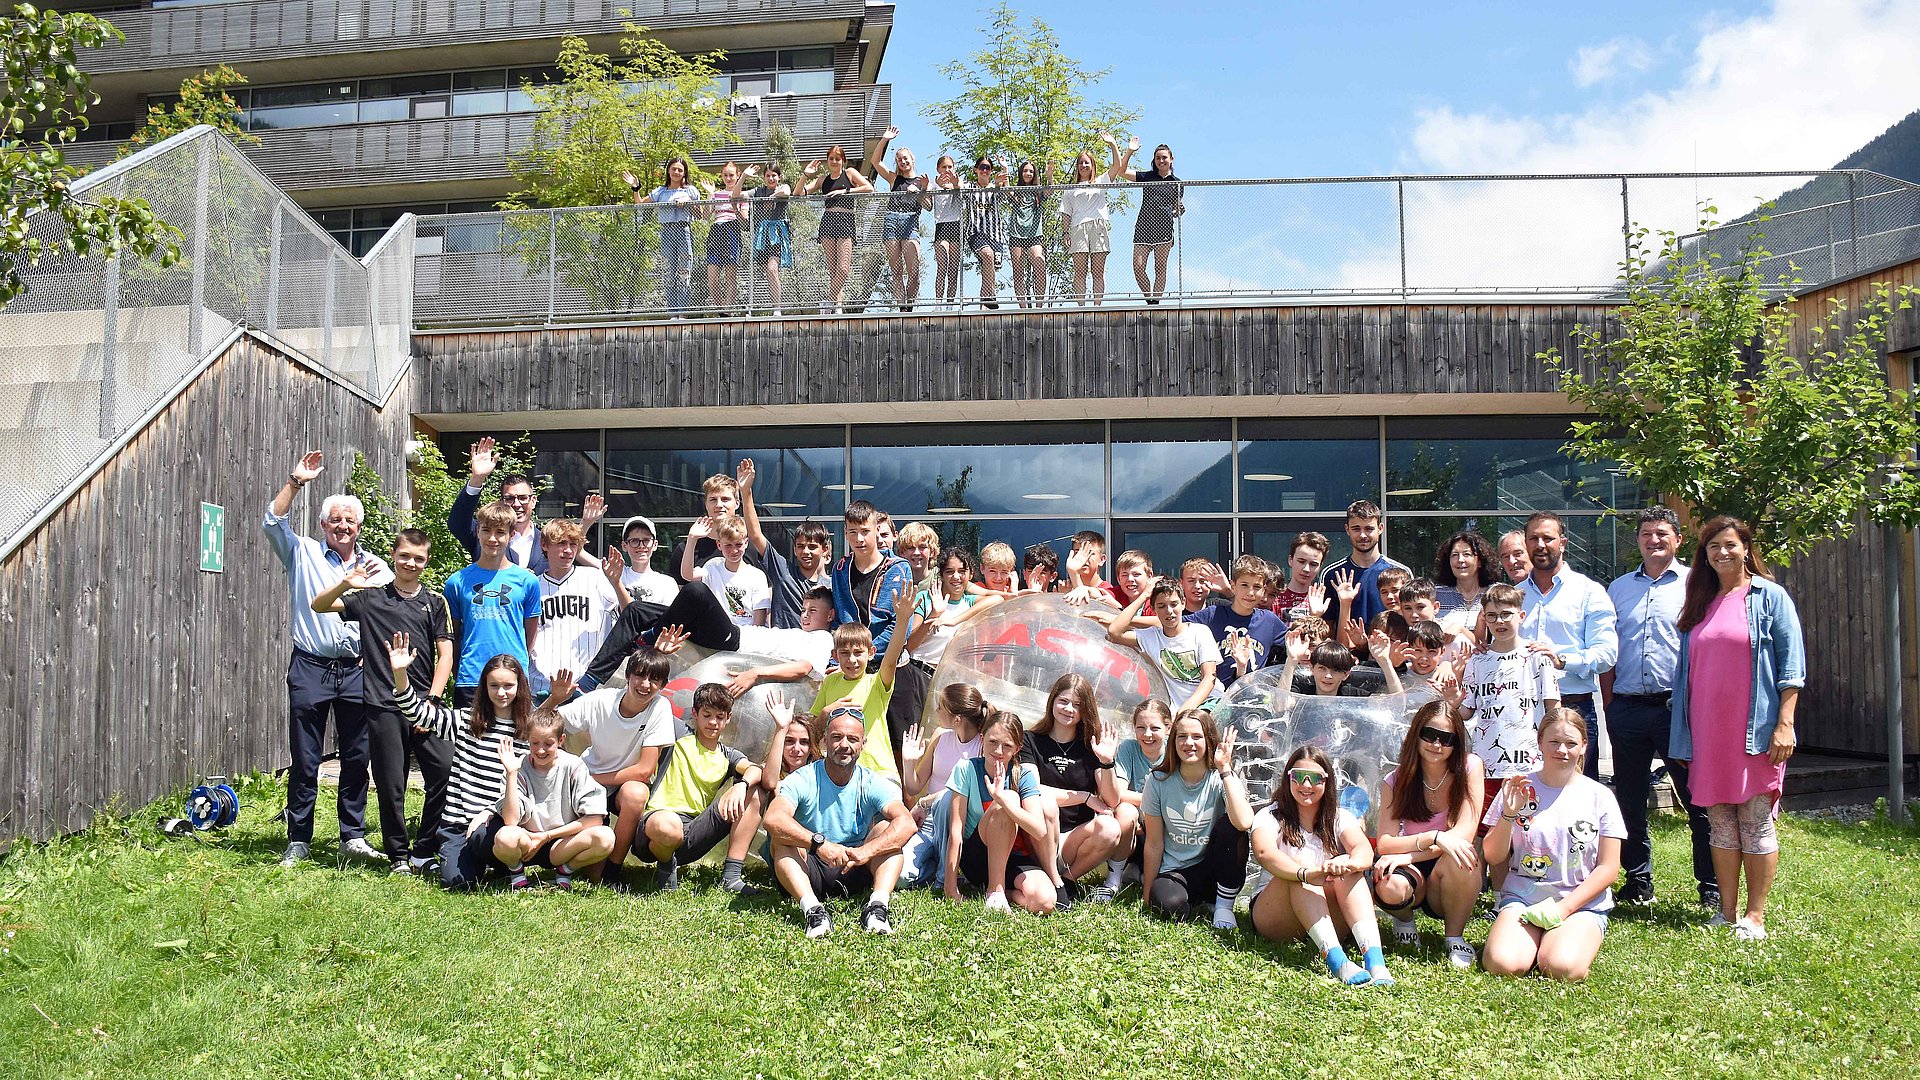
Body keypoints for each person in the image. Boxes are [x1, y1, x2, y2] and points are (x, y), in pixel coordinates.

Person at [1669, 516, 1804, 942]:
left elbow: (1792, 668)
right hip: (1707, 733)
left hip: (1756, 730)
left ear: (1746, 547)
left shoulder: (1770, 597)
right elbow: (1686, 676)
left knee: (1756, 819)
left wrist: (1785, 724)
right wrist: (1683, 737)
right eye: (1713, 547)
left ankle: (1755, 916)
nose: (1722, 553)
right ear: (1704, 556)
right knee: (1720, 821)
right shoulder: (1700, 601)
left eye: (1730, 545)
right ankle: (1727, 912)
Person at [265, 450, 394, 868]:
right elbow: (273, 522)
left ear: (359, 526)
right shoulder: (301, 552)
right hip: (310, 667)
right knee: (305, 757)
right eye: (335, 519)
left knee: (357, 756)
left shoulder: (377, 567)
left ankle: (352, 837)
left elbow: (394, 611)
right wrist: (296, 482)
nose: (342, 526)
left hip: (357, 670)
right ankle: (298, 838)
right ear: (323, 525)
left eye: (349, 520)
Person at [309, 528, 452, 874]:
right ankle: (399, 856)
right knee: (392, 785)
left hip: (423, 705)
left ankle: (424, 849)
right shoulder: (371, 599)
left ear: (427, 560)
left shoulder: (434, 603)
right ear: (393, 555)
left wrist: (432, 700)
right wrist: (347, 582)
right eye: (405, 556)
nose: (411, 563)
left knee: (446, 772)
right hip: (382, 705)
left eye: (419, 558)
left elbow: (445, 655)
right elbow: (319, 604)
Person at [1604, 506, 1717, 910]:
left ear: (1678, 540)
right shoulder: (1617, 589)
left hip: (1678, 711)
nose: (1654, 540)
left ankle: (1711, 887)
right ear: (1637, 540)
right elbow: (1609, 652)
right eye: (1647, 533)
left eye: (1663, 533)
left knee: (1697, 801)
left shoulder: (1698, 585)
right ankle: (1638, 884)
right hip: (1628, 709)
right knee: (1629, 802)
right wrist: (1610, 702)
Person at [1482, 708, 1625, 981]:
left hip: (1579, 905)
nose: (1562, 749)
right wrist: (1508, 816)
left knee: (1562, 968)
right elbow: (1492, 855)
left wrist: (1564, 909)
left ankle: (1559, 941)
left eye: (1571, 743)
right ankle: (1530, 941)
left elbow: (1608, 868)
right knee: (1502, 964)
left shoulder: (1601, 797)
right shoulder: (1517, 788)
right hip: (1523, 900)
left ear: (1584, 746)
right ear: (1540, 743)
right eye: (1554, 742)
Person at [387, 634, 530, 890]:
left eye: (508, 685)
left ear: (519, 687)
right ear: (484, 687)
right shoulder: (465, 721)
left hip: (496, 823)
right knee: (457, 884)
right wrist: (400, 674)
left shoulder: (527, 732)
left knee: (496, 839)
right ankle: (478, 863)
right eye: (494, 685)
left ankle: (502, 863)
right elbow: (417, 713)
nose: (501, 692)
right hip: (457, 824)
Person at [762, 710, 917, 937]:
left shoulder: (871, 781)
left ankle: (877, 908)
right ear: (825, 740)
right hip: (811, 866)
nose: (844, 744)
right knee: (781, 841)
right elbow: (773, 819)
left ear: (863, 744)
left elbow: (907, 823)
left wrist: (867, 851)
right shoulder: (803, 778)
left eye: (852, 739)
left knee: (888, 831)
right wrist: (819, 844)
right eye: (837, 737)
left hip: (855, 864)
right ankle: (813, 912)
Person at [1249, 745, 1394, 986]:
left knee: (1352, 872)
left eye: (1315, 778)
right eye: (1298, 776)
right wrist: (1306, 872)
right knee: (1299, 871)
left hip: (1324, 913)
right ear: (1288, 779)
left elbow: (1364, 851)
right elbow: (1265, 853)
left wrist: (1346, 862)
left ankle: (1375, 962)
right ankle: (1338, 962)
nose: (1306, 785)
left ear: (1327, 781)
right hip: (1275, 915)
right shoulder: (1269, 815)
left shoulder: (1338, 817)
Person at [539, 652, 675, 883]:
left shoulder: (660, 707)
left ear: (663, 685)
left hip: (615, 784)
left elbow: (644, 770)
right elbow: (543, 726)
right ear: (628, 675)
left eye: (654, 680)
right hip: (591, 783)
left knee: (637, 793)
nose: (645, 685)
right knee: (592, 872)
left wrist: (591, 777)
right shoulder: (601, 700)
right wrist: (554, 699)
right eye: (640, 676)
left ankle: (613, 869)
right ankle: (549, 859)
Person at [1372, 699, 1485, 969]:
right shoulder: (1396, 780)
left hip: (1447, 865)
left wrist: (1409, 854)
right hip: (1414, 869)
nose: (1437, 745)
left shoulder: (1470, 767)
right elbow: (1385, 843)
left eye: (1446, 739)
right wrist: (1433, 838)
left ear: (1457, 743)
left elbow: (1464, 834)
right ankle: (1404, 919)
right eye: (1429, 735)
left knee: (1463, 856)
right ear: (1416, 734)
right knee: (1389, 885)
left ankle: (1454, 937)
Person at [1518, 510, 1619, 780]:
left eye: (1548, 538)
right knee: (1527, 794)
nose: (1540, 545)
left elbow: (1607, 653)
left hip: (1573, 708)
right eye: (1533, 538)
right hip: (1524, 711)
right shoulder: (1515, 595)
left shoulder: (1588, 591)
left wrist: (1562, 660)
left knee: (1579, 796)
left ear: (1563, 542)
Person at [638, 683, 766, 893]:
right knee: (667, 826)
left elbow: (755, 770)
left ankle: (731, 877)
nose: (713, 722)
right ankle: (666, 864)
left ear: (728, 718)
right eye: (707, 715)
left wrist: (741, 786)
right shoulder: (678, 734)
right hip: (654, 827)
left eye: (720, 717)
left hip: (693, 834)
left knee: (755, 790)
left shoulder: (727, 755)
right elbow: (649, 703)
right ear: (695, 714)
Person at [1458, 582, 1560, 835]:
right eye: (1492, 616)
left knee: (1526, 830)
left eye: (1506, 614)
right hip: (1487, 763)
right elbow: (1467, 711)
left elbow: (1553, 710)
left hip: (1529, 762)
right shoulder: (1477, 660)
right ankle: (1484, 877)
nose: (1499, 622)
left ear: (1521, 615)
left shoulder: (1538, 656)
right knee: (1485, 832)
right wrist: (1450, 701)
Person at [1141, 710, 1254, 928]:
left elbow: (1244, 822)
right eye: (1182, 736)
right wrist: (1148, 894)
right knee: (1166, 906)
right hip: (1177, 871)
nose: (1189, 743)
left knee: (1230, 827)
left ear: (1209, 739)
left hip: (1215, 866)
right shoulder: (1157, 781)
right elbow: (1154, 844)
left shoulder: (1220, 777)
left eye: (1197, 736)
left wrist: (1225, 769)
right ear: (1173, 741)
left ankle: (1223, 906)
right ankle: (1197, 903)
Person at [1023, 673, 1129, 903]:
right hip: (1037, 834)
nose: (1069, 709)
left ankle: (1066, 881)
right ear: (1052, 701)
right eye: (1063, 701)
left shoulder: (1090, 746)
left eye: (1077, 705)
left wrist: (1106, 761)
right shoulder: (1029, 740)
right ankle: (1049, 878)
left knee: (1110, 828)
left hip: (1073, 839)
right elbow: (1030, 788)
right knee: (1044, 803)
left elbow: (1111, 801)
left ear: (1085, 710)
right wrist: (1085, 797)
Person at [944, 710, 1054, 914]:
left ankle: (1004, 893)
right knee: (1010, 798)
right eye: (993, 742)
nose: (998, 750)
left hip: (1014, 856)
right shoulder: (966, 769)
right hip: (977, 857)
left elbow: (1039, 830)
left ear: (1017, 749)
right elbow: (956, 832)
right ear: (982, 739)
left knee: (1044, 902)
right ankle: (995, 892)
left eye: (1007, 746)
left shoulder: (1023, 775)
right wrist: (950, 888)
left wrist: (1002, 799)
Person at [488, 711, 614, 890]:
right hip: (527, 842)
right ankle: (517, 873)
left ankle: (565, 870)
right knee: (504, 837)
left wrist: (547, 836)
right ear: (527, 740)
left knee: (606, 837)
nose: (540, 750)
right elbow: (511, 820)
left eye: (548, 744)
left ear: (561, 740)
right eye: (534, 743)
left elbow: (594, 819)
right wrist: (511, 774)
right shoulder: (518, 766)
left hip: (561, 843)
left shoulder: (574, 765)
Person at [446, 436, 603, 576]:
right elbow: (457, 523)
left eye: (523, 498)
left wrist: (585, 524)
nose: (516, 504)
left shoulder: (548, 541)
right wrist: (477, 479)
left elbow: (572, 551)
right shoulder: (486, 536)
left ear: (533, 501)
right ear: (501, 502)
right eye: (509, 498)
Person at [443, 500, 541, 709]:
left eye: (500, 532)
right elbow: (453, 635)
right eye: (486, 530)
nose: (492, 538)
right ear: (478, 531)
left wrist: (518, 664)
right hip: (471, 677)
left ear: (511, 534)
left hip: (513, 679)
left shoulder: (527, 581)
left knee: (513, 740)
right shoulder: (457, 581)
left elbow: (530, 634)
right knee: (470, 740)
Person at [894, 548, 984, 768]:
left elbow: (998, 598)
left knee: (946, 737)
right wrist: (934, 615)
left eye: (962, 571)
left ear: (970, 574)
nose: (956, 577)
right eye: (949, 571)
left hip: (949, 681)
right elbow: (909, 643)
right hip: (918, 676)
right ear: (941, 575)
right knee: (914, 738)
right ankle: (910, 793)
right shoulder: (926, 598)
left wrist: (952, 620)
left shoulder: (970, 603)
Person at [811, 621, 911, 792]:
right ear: (835, 655)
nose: (852, 660)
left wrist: (902, 618)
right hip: (839, 774)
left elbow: (890, 661)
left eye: (858, 653)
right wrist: (827, 712)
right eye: (845, 653)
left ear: (871, 653)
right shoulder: (829, 683)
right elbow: (813, 730)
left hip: (878, 771)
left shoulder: (875, 683)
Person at [1088, 698, 1172, 902]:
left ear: (1168, 727)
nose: (1147, 734)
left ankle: (1143, 872)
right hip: (1140, 817)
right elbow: (1119, 795)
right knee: (1125, 811)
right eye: (1141, 727)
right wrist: (1152, 803)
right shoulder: (1129, 748)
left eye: (1155, 728)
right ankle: (1114, 878)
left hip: (1170, 818)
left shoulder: (1174, 749)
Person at [736, 458, 831, 630]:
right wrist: (746, 492)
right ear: (794, 549)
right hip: (785, 652)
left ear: (824, 550)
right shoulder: (783, 573)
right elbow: (756, 535)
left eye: (812, 547)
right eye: (800, 546)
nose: (806, 552)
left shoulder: (832, 587)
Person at [530, 518, 619, 697]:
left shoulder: (595, 578)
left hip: (588, 687)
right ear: (544, 545)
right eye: (561, 543)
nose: (569, 550)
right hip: (541, 686)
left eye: (573, 544)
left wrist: (617, 583)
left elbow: (628, 615)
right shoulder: (532, 586)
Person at [1107, 579, 1221, 714]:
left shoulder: (1200, 632)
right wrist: (1143, 596)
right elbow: (1114, 632)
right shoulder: (1150, 637)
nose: (1169, 611)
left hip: (1211, 703)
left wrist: (1185, 710)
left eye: (1174, 604)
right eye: (1161, 606)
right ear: (1153, 609)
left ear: (1183, 603)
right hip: (1175, 710)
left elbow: (1209, 677)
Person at [1184, 555, 1284, 688]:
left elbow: (1300, 641)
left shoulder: (1269, 621)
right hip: (1216, 697)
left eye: (1257, 587)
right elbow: (1171, 623)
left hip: (1254, 699)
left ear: (1263, 590)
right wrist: (1145, 597)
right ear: (1233, 585)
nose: (1250, 592)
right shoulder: (1213, 614)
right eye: (1244, 585)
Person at [1060, 131, 1135, 305]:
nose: (1083, 165)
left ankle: (1097, 306)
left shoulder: (1100, 181)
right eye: (1080, 163)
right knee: (1079, 271)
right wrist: (1065, 233)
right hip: (1077, 228)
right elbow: (1066, 212)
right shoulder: (1070, 189)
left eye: (1086, 162)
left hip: (1098, 227)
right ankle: (1081, 305)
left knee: (1097, 271)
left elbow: (1117, 166)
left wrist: (1112, 144)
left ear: (1092, 165)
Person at [831, 500, 912, 656]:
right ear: (846, 533)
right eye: (853, 532)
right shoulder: (840, 570)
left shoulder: (899, 569)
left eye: (865, 531)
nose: (859, 539)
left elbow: (902, 622)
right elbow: (838, 620)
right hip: (849, 661)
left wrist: (867, 652)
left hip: (886, 660)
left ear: (876, 530)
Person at [801, 146, 873, 313]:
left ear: (843, 160)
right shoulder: (822, 180)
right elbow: (800, 192)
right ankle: (837, 307)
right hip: (828, 222)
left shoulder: (849, 173)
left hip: (846, 221)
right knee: (833, 270)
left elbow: (869, 188)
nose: (834, 161)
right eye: (831, 158)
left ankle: (829, 302)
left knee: (843, 268)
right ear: (828, 160)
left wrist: (845, 191)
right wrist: (806, 175)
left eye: (837, 158)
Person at [627, 157, 700, 315]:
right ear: (669, 170)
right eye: (674, 169)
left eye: (680, 170)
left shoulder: (691, 190)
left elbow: (700, 214)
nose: (677, 172)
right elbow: (640, 203)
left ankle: (682, 313)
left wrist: (688, 201)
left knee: (683, 273)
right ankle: (672, 313)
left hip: (684, 231)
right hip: (666, 232)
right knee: (668, 274)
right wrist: (635, 187)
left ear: (684, 173)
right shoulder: (660, 191)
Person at [866, 126, 928, 311]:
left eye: (905, 158)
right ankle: (902, 308)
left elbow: (929, 206)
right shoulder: (894, 179)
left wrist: (921, 191)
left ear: (912, 159)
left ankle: (909, 304)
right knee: (897, 271)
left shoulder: (922, 180)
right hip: (892, 221)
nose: (903, 161)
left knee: (914, 273)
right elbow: (875, 162)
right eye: (899, 159)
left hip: (910, 224)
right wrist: (885, 139)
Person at [1320, 500, 1407, 631]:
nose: (1362, 535)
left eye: (1369, 529)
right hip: (1346, 650)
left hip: (1390, 649)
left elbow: (1411, 619)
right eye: (1356, 529)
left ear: (1380, 529)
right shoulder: (1332, 574)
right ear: (1347, 529)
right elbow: (1327, 628)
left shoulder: (1400, 572)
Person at [680, 513, 771, 627]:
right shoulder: (713, 566)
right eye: (728, 545)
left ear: (746, 543)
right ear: (719, 545)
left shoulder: (757, 575)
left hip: (748, 635)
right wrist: (692, 539)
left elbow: (759, 622)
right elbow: (687, 575)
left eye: (738, 545)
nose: (734, 550)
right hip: (718, 633)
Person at [667, 472, 747, 586]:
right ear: (706, 504)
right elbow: (679, 594)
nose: (719, 505)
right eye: (713, 500)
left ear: (737, 503)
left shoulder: (748, 547)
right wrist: (692, 539)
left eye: (725, 499)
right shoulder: (685, 549)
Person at [1130, 143, 1184, 304]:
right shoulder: (1147, 177)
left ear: (1171, 159)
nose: (1161, 161)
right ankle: (1150, 300)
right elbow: (1121, 172)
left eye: (1164, 157)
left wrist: (1179, 210)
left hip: (1164, 230)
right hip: (1143, 227)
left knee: (1160, 268)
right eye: (1158, 158)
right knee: (1138, 268)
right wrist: (1130, 151)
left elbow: (1176, 209)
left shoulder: (1177, 183)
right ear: (1154, 160)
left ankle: (1156, 303)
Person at [960, 155, 1009, 310]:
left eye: (988, 167)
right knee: (988, 255)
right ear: (976, 170)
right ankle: (991, 295)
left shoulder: (996, 188)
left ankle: (984, 306)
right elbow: (957, 187)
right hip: (976, 232)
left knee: (989, 268)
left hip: (995, 234)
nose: (985, 170)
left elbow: (1008, 195)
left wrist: (1005, 169)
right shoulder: (969, 187)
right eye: (982, 167)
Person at [744, 162, 793, 316]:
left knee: (772, 268)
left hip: (777, 234)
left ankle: (777, 308)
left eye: (774, 175)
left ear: (779, 177)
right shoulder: (758, 191)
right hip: (762, 235)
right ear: (764, 177)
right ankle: (760, 308)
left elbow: (786, 192)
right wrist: (744, 176)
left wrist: (771, 197)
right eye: (768, 175)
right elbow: (737, 194)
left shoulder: (782, 186)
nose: (771, 178)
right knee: (765, 272)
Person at [702, 162, 749, 312]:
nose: (728, 178)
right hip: (716, 231)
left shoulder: (743, 195)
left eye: (731, 175)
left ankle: (728, 311)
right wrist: (710, 193)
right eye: (725, 175)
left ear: (737, 176)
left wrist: (735, 206)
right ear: (721, 176)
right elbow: (706, 215)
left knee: (730, 277)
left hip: (732, 231)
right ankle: (721, 309)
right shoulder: (716, 194)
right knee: (712, 279)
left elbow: (744, 221)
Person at [1433, 529, 1498, 635]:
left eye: (1467, 554)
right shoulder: (1436, 595)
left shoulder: (1496, 594)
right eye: (1454, 555)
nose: (1460, 560)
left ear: (1480, 561)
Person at [1007, 160, 1050, 309]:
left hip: (1034, 235)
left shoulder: (1037, 192)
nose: (1028, 173)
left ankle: (1038, 307)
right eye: (1025, 170)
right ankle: (1023, 308)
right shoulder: (1016, 190)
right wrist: (1005, 168)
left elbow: (1048, 191)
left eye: (1031, 171)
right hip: (1016, 235)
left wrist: (1050, 176)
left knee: (1040, 266)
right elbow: (1007, 190)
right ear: (1021, 173)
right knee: (1018, 272)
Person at [612, 515, 679, 607]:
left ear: (655, 545)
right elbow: (585, 555)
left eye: (646, 540)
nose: (641, 545)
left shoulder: (667, 583)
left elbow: (670, 619)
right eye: (634, 540)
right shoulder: (615, 574)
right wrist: (587, 521)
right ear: (624, 546)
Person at [1268, 531, 1331, 624]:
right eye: (1301, 561)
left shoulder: (1324, 600)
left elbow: (1328, 636)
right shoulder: (1273, 597)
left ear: (1320, 566)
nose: (1306, 569)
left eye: (1313, 564)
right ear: (1290, 560)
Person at [929, 154, 966, 308]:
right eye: (944, 167)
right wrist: (931, 187)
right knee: (942, 265)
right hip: (941, 226)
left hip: (955, 225)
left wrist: (953, 185)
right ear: (938, 169)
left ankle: (950, 304)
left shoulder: (958, 181)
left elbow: (960, 189)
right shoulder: (934, 183)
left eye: (950, 166)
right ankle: (938, 303)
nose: (947, 169)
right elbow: (928, 194)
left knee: (953, 269)